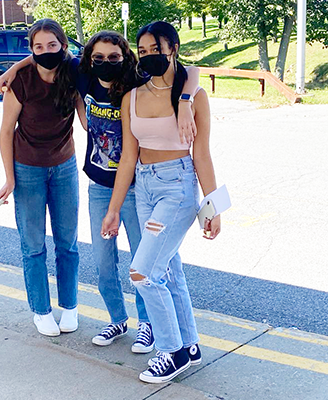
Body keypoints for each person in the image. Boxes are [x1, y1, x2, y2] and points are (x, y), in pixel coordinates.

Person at [0, 29, 202, 353]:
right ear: (90, 60)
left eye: (114, 57)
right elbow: (50, 53)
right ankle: (117, 319)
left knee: (142, 262)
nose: (106, 63)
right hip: (99, 187)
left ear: (125, 58)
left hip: (137, 187)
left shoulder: (136, 82)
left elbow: (191, 72)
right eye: (99, 58)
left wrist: (188, 100)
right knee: (104, 263)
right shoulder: (84, 78)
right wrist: (13, 69)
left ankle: (147, 325)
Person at [100, 21, 221, 384]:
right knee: (167, 269)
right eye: (146, 50)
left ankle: (171, 351)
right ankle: (189, 342)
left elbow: (202, 153)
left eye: (158, 48)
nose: (151, 55)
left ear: (174, 48)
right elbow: (126, 157)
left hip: (178, 187)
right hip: (144, 187)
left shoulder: (193, 96)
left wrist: (213, 208)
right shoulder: (132, 96)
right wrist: (113, 208)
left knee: (142, 272)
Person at [0, 19, 83, 337]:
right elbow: (6, 132)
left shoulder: (73, 72)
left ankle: (70, 306)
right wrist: (10, 177)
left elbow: (86, 119)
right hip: (28, 168)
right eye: (38, 47)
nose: (45, 52)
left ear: (63, 46)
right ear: (31, 51)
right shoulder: (22, 81)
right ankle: (41, 311)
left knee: (68, 243)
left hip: (65, 166)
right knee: (33, 246)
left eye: (52, 45)